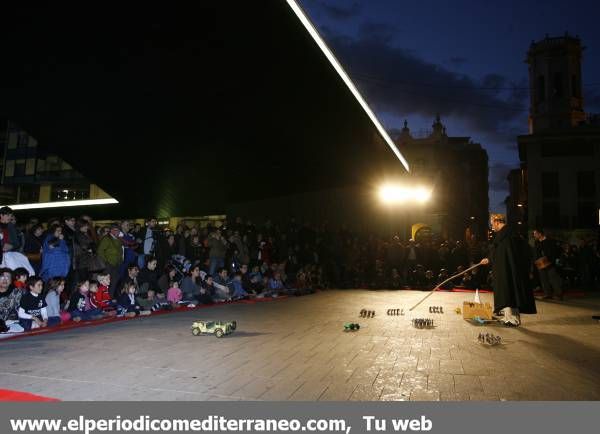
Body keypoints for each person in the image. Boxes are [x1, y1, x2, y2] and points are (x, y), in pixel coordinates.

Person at [480, 214, 536, 327]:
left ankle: (513, 319)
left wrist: (490, 259)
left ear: (497, 221)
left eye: (492, 224)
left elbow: (504, 252)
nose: (492, 227)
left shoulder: (507, 235)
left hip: (508, 270)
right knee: (507, 292)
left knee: (508, 292)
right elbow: (499, 252)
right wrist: (489, 259)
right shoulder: (506, 234)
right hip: (505, 269)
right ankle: (508, 316)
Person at [533, 228, 563, 301]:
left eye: (535, 234)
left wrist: (551, 259)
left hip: (550, 263)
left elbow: (556, 251)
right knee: (544, 279)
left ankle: (558, 294)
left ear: (540, 234)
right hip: (540, 263)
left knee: (553, 279)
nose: (534, 235)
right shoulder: (537, 242)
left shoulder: (550, 241)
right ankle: (547, 294)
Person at [97, 223, 124, 298]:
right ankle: (101, 298)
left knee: (113, 282)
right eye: (115, 230)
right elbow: (100, 251)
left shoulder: (118, 240)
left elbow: (120, 251)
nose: (117, 232)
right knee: (105, 282)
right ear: (111, 231)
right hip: (108, 264)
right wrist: (106, 262)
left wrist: (120, 261)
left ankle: (109, 298)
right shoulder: (106, 239)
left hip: (116, 264)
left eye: (118, 230)